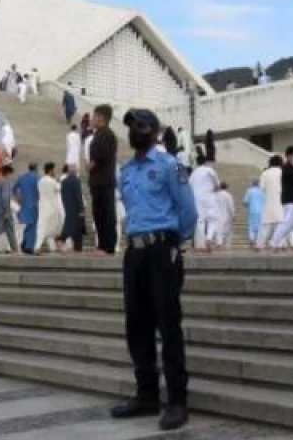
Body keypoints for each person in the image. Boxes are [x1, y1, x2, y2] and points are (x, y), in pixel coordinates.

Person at [109, 109, 198, 431]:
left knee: (168, 324)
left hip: (162, 249)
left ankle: (177, 401)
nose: (136, 129)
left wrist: (174, 242)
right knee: (137, 325)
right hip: (134, 251)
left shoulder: (169, 165)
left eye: (143, 124)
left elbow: (188, 211)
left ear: (155, 130)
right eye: (132, 124)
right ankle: (146, 395)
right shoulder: (127, 170)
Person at [88, 104, 119, 255]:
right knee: (99, 214)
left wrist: (92, 163)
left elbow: (101, 154)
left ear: (100, 117)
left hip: (104, 181)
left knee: (105, 214)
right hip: (99, 181)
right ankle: (103, 245)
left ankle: (107, 246)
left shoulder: (105, 134)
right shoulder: (100, 134)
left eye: (94, 116)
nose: (92, 119)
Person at [188, 153, 221, 252]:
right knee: (213, 219)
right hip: (209, 196)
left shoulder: (193, 173)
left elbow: (189, 186)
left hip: (197, 199)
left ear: (197, 162)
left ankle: (200, 245)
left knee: (200, 221)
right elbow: (217, 184)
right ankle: (209, 238)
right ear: (206, 161)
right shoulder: (209, 170)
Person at [256, 156, 286, 250]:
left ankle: (260, 245)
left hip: (269, 202)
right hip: (281, 202)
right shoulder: (283, 172)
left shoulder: (265, 173)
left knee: (265, 226)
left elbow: (261, 188)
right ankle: (279, 245)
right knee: (281, 225)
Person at [37, 163, 65, 253]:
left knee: (42, 228)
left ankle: (38, 246)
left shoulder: (40, 181)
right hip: (52, 208)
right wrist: (58, 181)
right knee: (56, 228)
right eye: (53, 170)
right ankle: (57, 246)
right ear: (50, 170)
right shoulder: (52, 181)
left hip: (42, 207)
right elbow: (59, 189)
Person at [16, 163, 42, 254]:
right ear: (36, 168)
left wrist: (17, 196)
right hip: (34, 204)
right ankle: (28, 246)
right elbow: (40, 190)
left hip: (24, 204)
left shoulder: (22, 177)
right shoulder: (37, 178)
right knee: (33, 226)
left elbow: (14, 187)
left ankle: (25, 243)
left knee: (29, 225)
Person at [59, 165, 86, 252]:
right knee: (77, 227)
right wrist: (81, 208)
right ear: (75, 172)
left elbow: (62, 195)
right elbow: (78, 196)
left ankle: (76, 246)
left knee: (72, 225)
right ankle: (77, 246)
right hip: (76, 208)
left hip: (67, 206)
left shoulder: (63, 182)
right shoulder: (76, 181)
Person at [243, 179, 264, 246]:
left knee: (251, 225)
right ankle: (258, 240)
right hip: (261, 211)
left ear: (252, 184)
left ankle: (252, 239)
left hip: (252, 210)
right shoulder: (262, 191)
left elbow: (245, 201)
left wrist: (246, 207)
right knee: (259, 226)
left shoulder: (249, 191)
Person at [215, 182, 235, 247]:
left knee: (219, 229)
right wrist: (233, 215)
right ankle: (227, 244)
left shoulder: (216, 195)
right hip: (227, 215)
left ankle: (219, 242)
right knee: (228, 231)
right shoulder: (228, 195)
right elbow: (231, 206)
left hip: (217, 214)